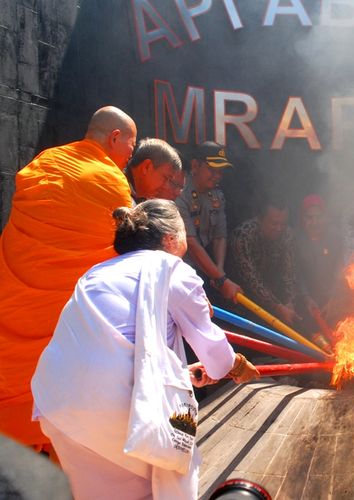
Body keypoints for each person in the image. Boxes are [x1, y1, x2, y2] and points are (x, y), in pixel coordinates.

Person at [31, 199, 260, 499]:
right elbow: (215, 354)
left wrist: (183, 373)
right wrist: (238, 365)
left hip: (58, 403)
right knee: (159, 484)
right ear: (170, 238)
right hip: (116, 411)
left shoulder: (97, 272)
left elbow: (117, 345)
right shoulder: (172, 269)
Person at [0, 106, 135, 451]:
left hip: (17, 298)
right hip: (60, 311)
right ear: (115, 137)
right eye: (130, 150)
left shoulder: (46, 162)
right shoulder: (109, 180)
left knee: (17, 373)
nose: (128, 160)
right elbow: (126, 251)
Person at [176, 141, 242, 304]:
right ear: (195, 165)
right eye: (212, 169)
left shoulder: (217, 196)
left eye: (220, 172)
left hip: (207, 267)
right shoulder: (179, 193)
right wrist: (220, 279)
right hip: (180, 268)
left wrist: (219, 269)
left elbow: (220, 236)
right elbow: (190, 243)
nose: (217, 176)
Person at [230, 197, 299, 326]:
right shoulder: (244, 235)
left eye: (283, 224)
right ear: (260, 219)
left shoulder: (287, 234)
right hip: (242, 301)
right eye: (274, 223)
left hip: (275, 298)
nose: (279, 228)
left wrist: (290, 302)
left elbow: (289, 271)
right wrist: (278, 308)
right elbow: (251, 280)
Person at [293, 194, 346, 337]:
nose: (314, 222)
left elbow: (340, 270)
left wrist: (333, 299)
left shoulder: (335, 238)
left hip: (332, 300)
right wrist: (306, 298)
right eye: (309, 218)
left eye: (318, 217)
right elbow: (295, 274)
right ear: (302, 219)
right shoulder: (295, 240)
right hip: (305, 303)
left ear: (325, 218)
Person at [124, 137, 183, 202]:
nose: (165, 186)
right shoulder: (118, 188)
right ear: (146, 167)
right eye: (165, 178)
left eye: (169, 180)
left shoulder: (141, 199)